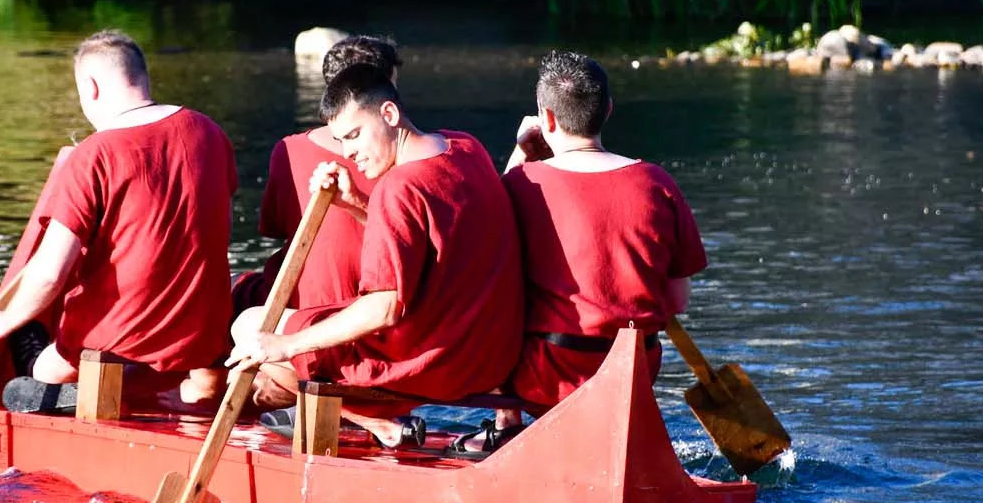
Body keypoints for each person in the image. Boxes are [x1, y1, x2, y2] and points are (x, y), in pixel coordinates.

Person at [226, 64, 523, 447]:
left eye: (354, 135)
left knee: (250, 328)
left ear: (389, 114)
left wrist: (284, 346)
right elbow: (432, 246)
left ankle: (377, 424)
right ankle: (384, 426)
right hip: (490, 357)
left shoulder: (398, 187)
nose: (349, 152)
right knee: (278, 336)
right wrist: (355, 205)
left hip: (433, 363)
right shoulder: (466, 147)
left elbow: (384, 309)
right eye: (340, 140)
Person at [0, 30, 237, 414]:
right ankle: (140, 391)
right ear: (142, 77)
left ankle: (78, 397)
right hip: (199, 341)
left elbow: (50, 273)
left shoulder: (94, 154)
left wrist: (1, 321)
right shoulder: (210, 132)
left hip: (112, 346)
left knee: (26, 357)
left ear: (90, 87)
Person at [488, 51, 707, 448]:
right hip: (636, 370)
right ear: (608, 110)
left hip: (549, 373)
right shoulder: (658, 183)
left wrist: (520, 154)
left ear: (547, 119)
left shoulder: (522, 184)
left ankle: (508, 429)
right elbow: (677, 301)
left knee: (497, 295)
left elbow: (483, 245)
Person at [232, 36, 402, 314]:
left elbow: (274, 228)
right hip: (378, 306)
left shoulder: (290, 149)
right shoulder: (413, 155)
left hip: (309, 308)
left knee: (238, 289)